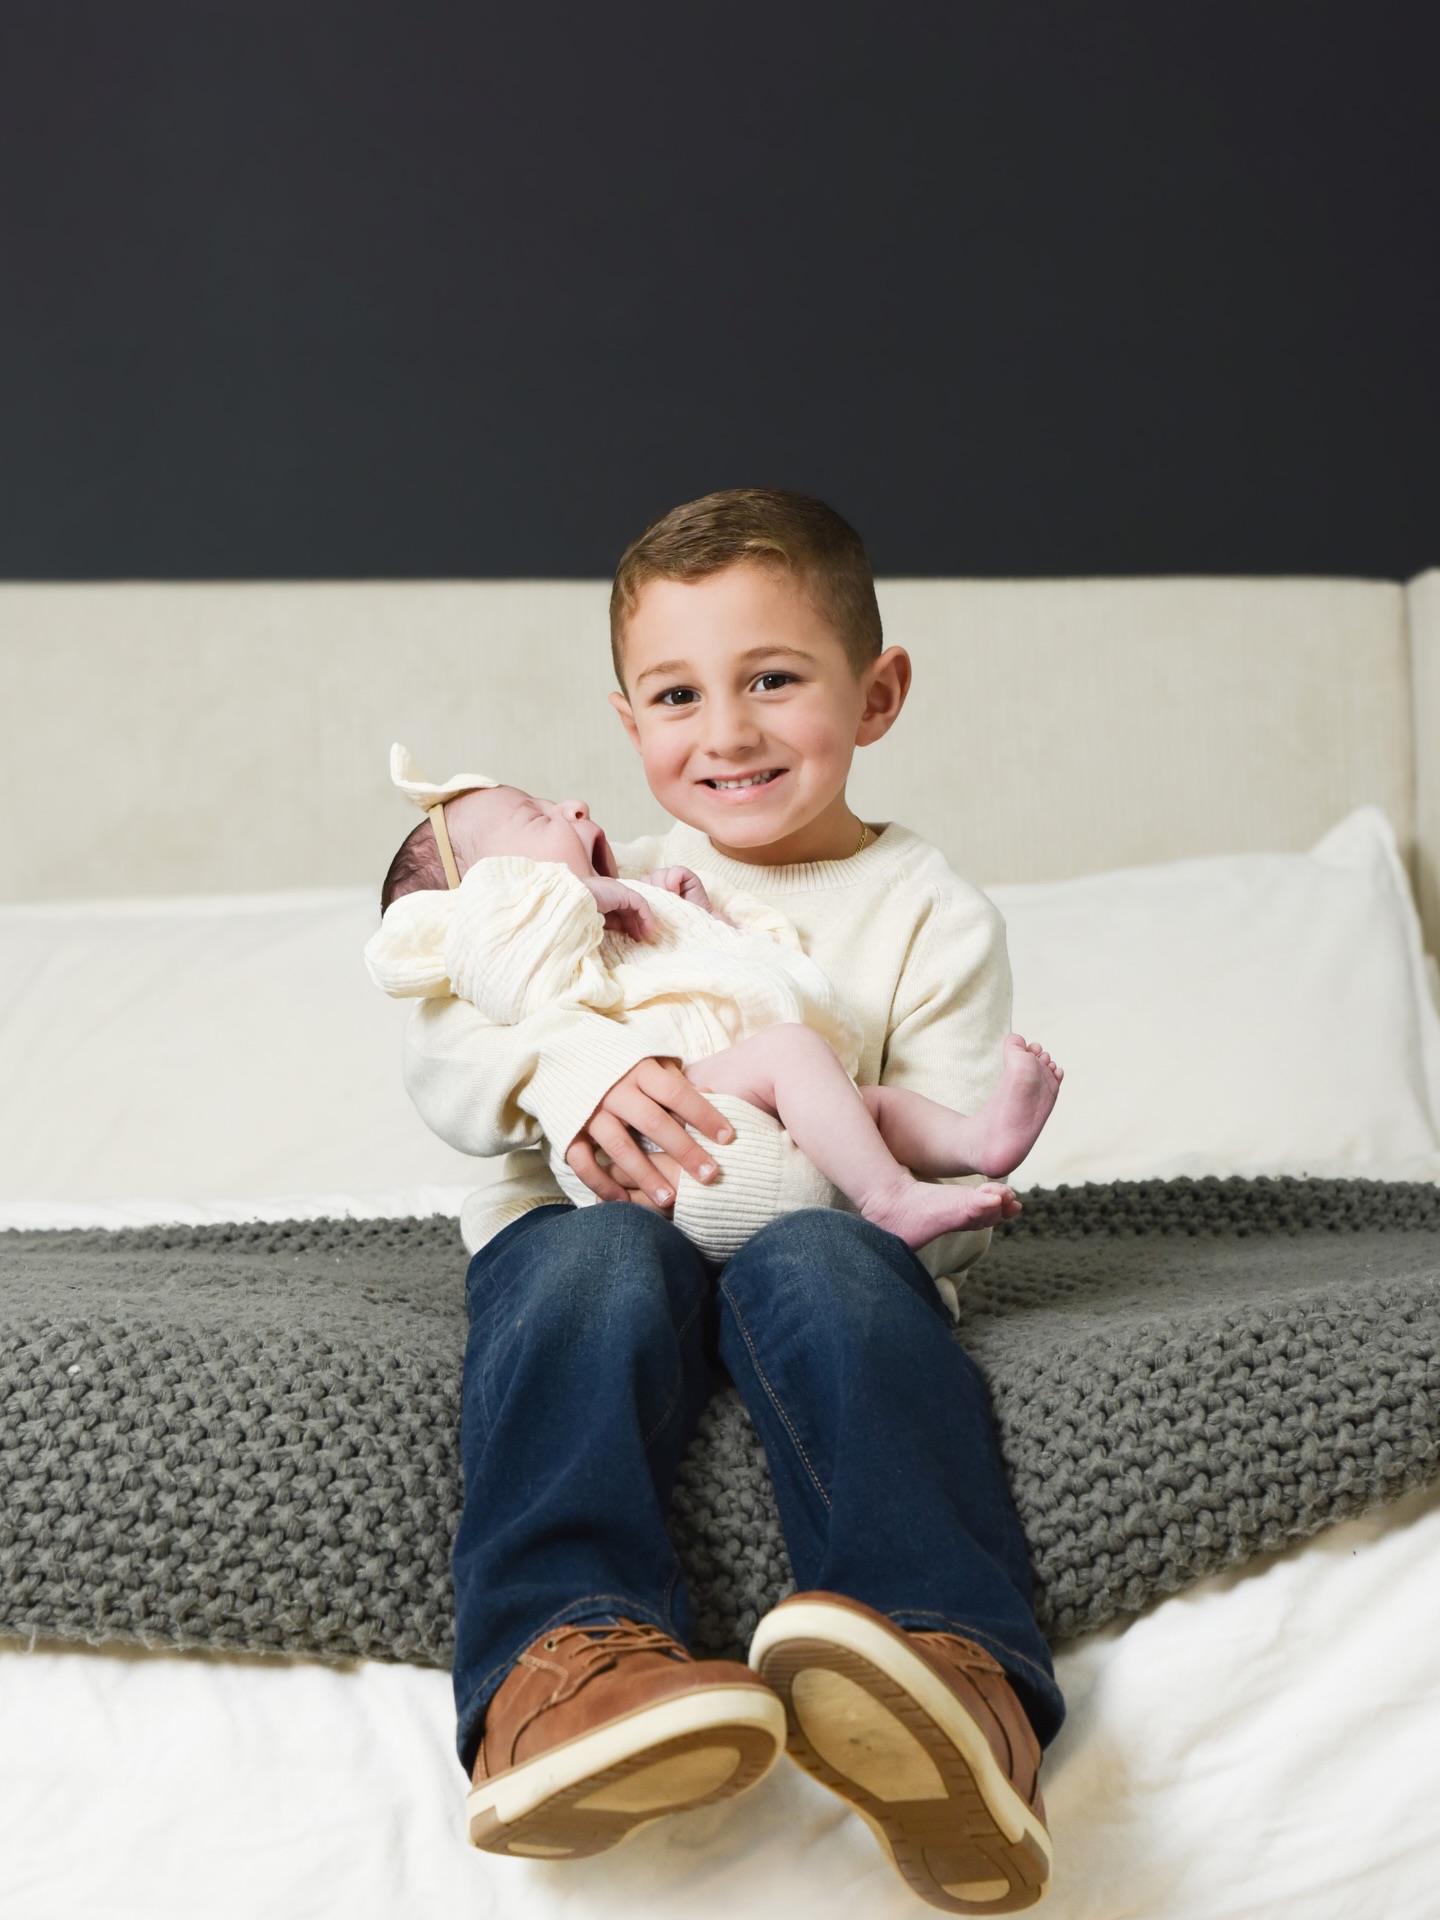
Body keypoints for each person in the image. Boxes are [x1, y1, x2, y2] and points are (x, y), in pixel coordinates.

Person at [398, 489, 1065, 1914]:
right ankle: (561, 1671)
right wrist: (575, 1068)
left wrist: (945, 1165)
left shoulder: (927, 912)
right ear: (629, 721)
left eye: (774, 679)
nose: (728, 732)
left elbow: (931, 1161)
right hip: (599, 1227)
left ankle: (952, 1678)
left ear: (875, 693)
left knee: (830, 1267)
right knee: (593, 1266)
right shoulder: (577, 882)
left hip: (803, 1233)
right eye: (676, 694)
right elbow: (445, 1061)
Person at [366, 764, 1062, 1255]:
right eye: (537, 816)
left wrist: (690, 916)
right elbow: (489, 981)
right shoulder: (502, 938)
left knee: (862, 1103)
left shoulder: (639, 886)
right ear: (490, 894)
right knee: (795, 1054)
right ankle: (890, 1199)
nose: (573, 805)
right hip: (653, 1139)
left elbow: (723, 978)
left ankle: (976, 1144)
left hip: (754, 1128)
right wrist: (583, 904)